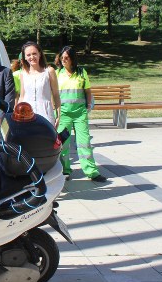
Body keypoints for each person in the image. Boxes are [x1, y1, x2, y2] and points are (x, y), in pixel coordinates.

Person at [55, 46, 106, 182]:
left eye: (66, 57)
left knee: (84, 143)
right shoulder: (57, 74)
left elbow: (88, 91)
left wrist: (88, 106)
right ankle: (64, 171)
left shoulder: (82, 72)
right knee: (63, 144)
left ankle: (92, 172)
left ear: (72, 58)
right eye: (62, 57)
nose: (64, 60)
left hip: (80, 114)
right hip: (63, 114)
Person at [19, 41, 60, 127]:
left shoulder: (49, 71)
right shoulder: (23, 73)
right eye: (28, 55)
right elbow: (22, 96)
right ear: (25, 57)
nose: (32, 57)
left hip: (46, 114)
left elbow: (56, 94)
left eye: (34, 53)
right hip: (27, 115)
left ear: (39, 54)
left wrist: (58, 115)